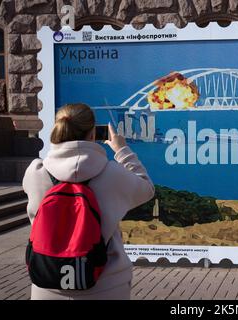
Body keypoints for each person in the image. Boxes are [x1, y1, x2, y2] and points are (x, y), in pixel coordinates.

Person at [23, 103, 155, 299]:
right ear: (93, 134)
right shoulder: (113, 173)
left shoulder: (36, 171)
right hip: (106, 286)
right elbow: (147, 189)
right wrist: (122, 149)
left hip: (46, 282)